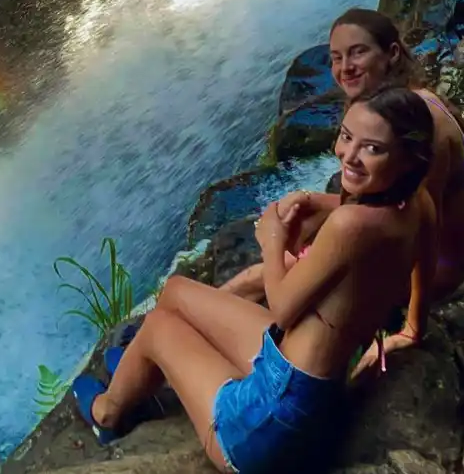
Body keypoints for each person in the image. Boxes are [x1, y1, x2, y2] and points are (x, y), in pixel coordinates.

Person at [72, 87, 436, 473]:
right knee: (177, 292)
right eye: (346, 137)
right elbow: (420, 258)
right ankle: (141, 373)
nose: (349, 156)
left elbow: (281, 308)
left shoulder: (350, 225)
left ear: (407, 160)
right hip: (317, 391)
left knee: (160, 325)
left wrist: (272, 241)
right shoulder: (417, 204)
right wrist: (415, 326)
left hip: (270, 425)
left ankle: (108, 414)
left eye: (372, 149)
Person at [221, 8, 464, 374]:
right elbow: (395, 207)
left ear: (391, 54)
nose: (345, 67)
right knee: (305, 213)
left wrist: (411, 328)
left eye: (358, 52)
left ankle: (209, 326)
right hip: (412, 233)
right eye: (336, 58)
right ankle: (238, 312)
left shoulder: (422, 131)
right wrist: (317, 205)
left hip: (441, 266)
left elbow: (421, 227)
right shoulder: (398, 105)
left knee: (264, 273)